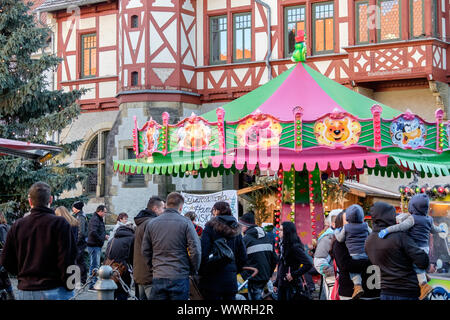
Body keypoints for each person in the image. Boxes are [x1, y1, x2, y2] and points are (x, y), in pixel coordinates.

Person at [0, 182, 77, 300]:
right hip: (55, 288)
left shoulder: (18, 225)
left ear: (30, 201)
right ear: (50, 199)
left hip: (26, 290)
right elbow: (69, 259)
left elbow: (5, 259)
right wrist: (71, 285)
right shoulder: (60, 224)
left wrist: (22, 272)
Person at [377, 193, 445, 299]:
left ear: (412, 206)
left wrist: (387, 230)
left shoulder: (413, 219)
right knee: (417, 265)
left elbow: (401, 227)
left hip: (414, 247)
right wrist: (441, 229)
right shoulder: (429, 219)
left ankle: (423, 286)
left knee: (409, 263)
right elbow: (434, 230)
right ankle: (424, 276)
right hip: (425, 248)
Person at [141, 192, 201, 300]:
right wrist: (193, 269)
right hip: (179, 275)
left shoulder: (152, 223)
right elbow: (195, 250)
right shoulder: (186, 223)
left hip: (159, 274)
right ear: (181, 208)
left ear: (166, 205)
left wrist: (153, 267)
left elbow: (145, 251)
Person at [365, 202, 430, 300]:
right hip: (408, 292)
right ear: (389, 216)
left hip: (385, 292)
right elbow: (423, 261)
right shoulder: (400, 236)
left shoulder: (368, 241)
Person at [199, 201, 248, 300]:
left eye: (213, 210)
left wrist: (203, 270)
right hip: (230, 279)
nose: (212, 212)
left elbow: (204, 252)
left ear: (217, 211)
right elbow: (242, 255)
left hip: (212, 277)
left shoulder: (209, 227)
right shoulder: (236, 229)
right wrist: (234, 269)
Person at [331, 211, 380, 300]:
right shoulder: (340, 243)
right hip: (351, 294)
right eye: (348, 220)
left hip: (375, 291)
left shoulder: (371, 238)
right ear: (341, 225)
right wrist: (370, 262)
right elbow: (346, 265)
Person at [238, 212, 277, 300]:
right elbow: (274, 259)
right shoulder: (268, 238)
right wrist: (269, 274)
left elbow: (239, 259)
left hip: (253, 278)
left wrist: (245, 275)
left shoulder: (245, 240)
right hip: (265, 277)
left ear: (245, 226)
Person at [133, 196, 165, 300]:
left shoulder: (142, 222)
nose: (164, 211)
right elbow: (154, 249)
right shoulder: (152, 223)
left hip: (141, 273)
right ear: (155, 208)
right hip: (150, 275)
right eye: (163, 208)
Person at [274, 221, 313, 300]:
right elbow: (282, 265)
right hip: (282, 284)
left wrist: (293, 274)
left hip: (291, 285)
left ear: (287, 232)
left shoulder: (294, 247)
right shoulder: (282, 244)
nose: (279, 232)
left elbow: (308, 264)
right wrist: (277, 282)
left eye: (281, 230)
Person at [313, 209, 341, 299]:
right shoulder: (328, 237)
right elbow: (319, 260)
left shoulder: (344, 235)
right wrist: (333, 273)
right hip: (333, 281)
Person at [105, 221, 135, 300]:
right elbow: (132, 256)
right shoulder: (132, 238)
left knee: (112, 293)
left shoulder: (112, 239)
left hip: (110, 269)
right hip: (123, 269)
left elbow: (107, 254)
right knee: (122, 293)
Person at [87, 205, 109, 290]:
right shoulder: (95, 219)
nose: (105, 214)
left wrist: (104, 235)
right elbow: (93, 232)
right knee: (94, 266)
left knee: (95, 265)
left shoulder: (98, 219)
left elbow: (98, 231)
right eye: (105, 212)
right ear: (100, 211)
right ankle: (92, 285)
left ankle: (93, 283)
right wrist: (101, 239)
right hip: (94, 245)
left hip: (96, 245)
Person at [72, 201, 88, 285]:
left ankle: (81, 279)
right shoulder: (79, 215)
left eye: (73, 207)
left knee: (79, 261)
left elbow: (81, 231)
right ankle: (81, 279)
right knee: (80, 261)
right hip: (80, 242)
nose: (72, 209)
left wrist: (76, 241)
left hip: (80, 243)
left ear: (77, 208)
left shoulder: (80, 216)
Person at [0, 212, 14, 300]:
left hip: (1, 257)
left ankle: (5, 294)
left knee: (3, 279)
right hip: (5, 258)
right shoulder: (7, 226)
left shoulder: (1, 228)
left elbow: (4, 244)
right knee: (5, 279)